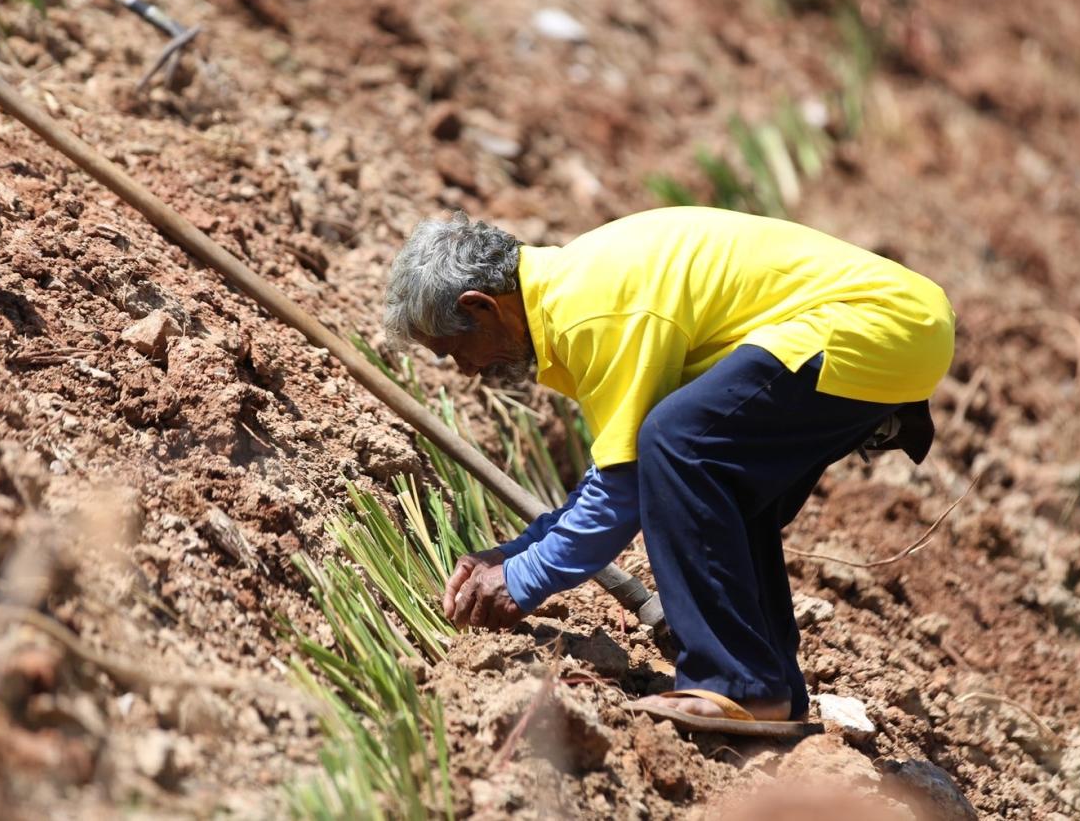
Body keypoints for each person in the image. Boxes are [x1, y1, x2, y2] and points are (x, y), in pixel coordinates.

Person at [382, 206, 954, 733]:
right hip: (897, 325)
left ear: (481, 307)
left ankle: (736, 686)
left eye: (454, 349)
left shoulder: (590, 308)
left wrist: (522, 580)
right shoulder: (573, 291)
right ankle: (771, 690)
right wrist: (517, 553)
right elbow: (617, 473)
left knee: (678, 444)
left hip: (875, 324)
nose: (464, 369)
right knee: (719, 482)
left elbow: (625, 490)